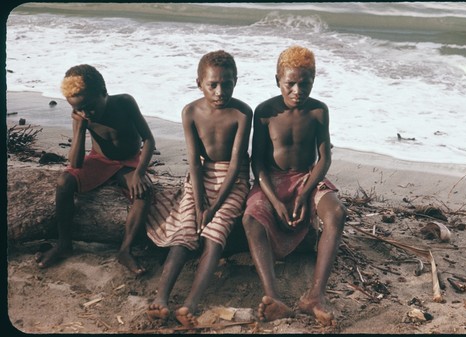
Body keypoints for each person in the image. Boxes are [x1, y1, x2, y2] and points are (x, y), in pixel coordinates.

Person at [145, 50, 252, 327]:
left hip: (233, 178)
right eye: (212, 84)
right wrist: (199, 198)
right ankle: (161, 297)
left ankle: (190, 304)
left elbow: (237, 163)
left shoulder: (242, 112)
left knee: (215, 235)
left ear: (236, 81)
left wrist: (214, 207)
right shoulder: (190, 111)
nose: (220, 91)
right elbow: (193, 159)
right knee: (185, 231)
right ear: (199, 83)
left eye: (226, 84)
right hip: (201, 175)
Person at [242, 45, 347, 327]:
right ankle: (273, 297)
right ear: (278, 80)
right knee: (251, 221)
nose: (298, 90)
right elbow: (259, 163)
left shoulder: (318, 111)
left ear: (314, 81)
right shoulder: (264, 112)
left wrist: (304, 194)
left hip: (307, 178)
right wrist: (275, 202)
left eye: (305, 83)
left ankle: (316, 294)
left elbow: (324, 158)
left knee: (336, 213)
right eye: (291, 83)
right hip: (272, 179)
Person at [35, 64, 156, 275]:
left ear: (104, 92)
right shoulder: (81, 117)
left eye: (90, 107)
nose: (85, 113)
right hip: (99, 160)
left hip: (129, 161)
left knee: (144, 191)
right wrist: (80, 129)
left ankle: (125, 250)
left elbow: (148, 139)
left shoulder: (124, 103)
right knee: (64, 182)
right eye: (77, 109)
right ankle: (64, 243)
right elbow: (76, 164)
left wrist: (139, 173)